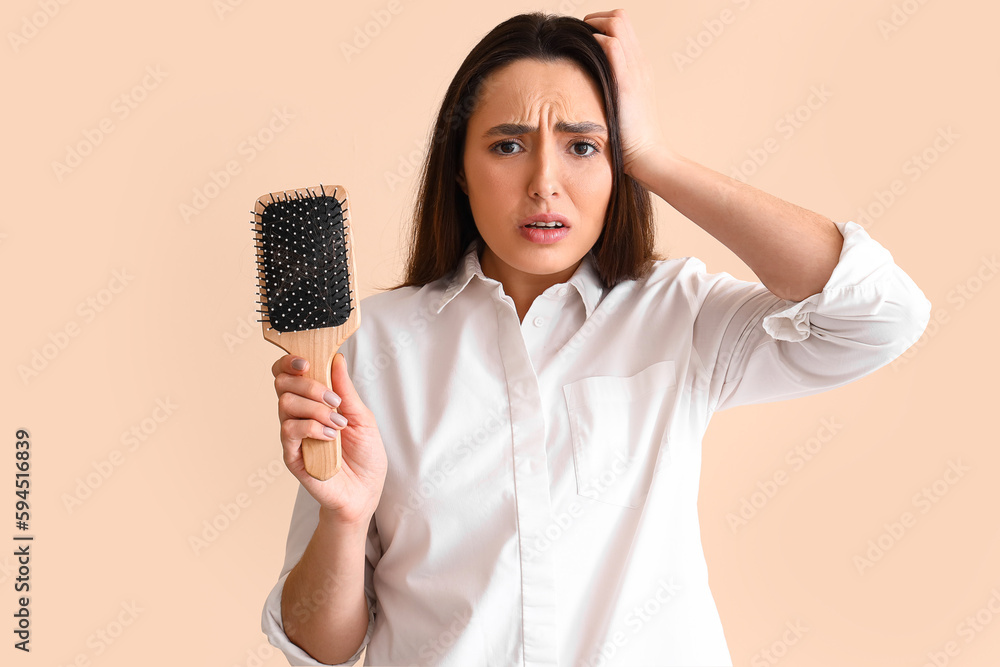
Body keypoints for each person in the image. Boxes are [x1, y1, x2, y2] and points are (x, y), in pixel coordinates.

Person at [261, 9, 930, 666]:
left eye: (584, 146)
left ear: (619, 168)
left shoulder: (680, 314)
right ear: (459, 166)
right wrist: (345, 520)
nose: (545, 184)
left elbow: (881, 314)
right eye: (507, 144)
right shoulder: (372, 344)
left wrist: (656, 159)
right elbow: (321, 646)